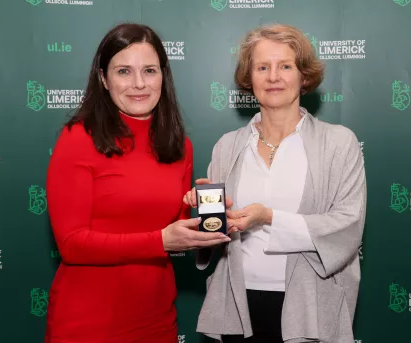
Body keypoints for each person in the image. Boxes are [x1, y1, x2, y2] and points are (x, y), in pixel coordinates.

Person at [44, 23, 231, 343]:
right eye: (123, 72)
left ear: (163, 76)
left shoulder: (179, 146)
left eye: (149, 70)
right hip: (88, 322)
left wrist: (209, 224)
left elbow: (173, 230)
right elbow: (72, 244)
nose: (139, 83)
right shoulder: (78, 138)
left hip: (157, 319)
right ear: (103, 79)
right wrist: (160, 241)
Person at [184, 24, 367, 343]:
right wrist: (206, 214)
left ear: (304, 76)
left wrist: (268, 217)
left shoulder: (339, 143)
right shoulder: (227, 146)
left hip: (310, 306)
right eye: (262, 67)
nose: (273, 77)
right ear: (248, 77)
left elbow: (347, 225)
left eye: (285, 66)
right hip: (238, 308)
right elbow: (215, 236)